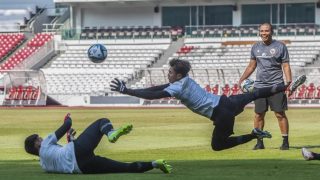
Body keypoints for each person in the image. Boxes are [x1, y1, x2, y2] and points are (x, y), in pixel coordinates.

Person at [110, 58, 306, 151]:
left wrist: (127, 90)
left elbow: (154, 94)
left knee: (217, 146)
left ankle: (253, 135)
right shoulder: (184, 81)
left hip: (221, 114)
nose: (168, 74)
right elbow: (156, 88)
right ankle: (284, 86)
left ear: (177, 75)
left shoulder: (176, 88)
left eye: (170, 72)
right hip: (226, 101)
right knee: (255, 94)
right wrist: (128, 89)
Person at [24, 114, 172, 174]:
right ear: (37, 144)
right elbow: (68, 124)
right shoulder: (46, 144)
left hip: (83, 167)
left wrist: (70, 140)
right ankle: (111, 133)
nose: (42, 139)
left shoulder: (44, 165)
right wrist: (66, 118)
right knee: (102, 121)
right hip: (78, 150)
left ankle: (155, 164)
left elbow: (64, 159)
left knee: (124, 167)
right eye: (39, 138)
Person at [238, 22, 306, 150]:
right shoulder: (255, 47)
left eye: (267, 31)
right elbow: (252, 66)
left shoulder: (280, 46)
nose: (264, 33)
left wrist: (289, 82)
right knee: (258, 114)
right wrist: (242, 79)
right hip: (259, 87)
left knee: (280, 114)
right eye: (262, 31)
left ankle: (285, 142)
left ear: (272, 31)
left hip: (276, 85)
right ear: (259, 32)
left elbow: (285, 65)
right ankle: (259, 142)